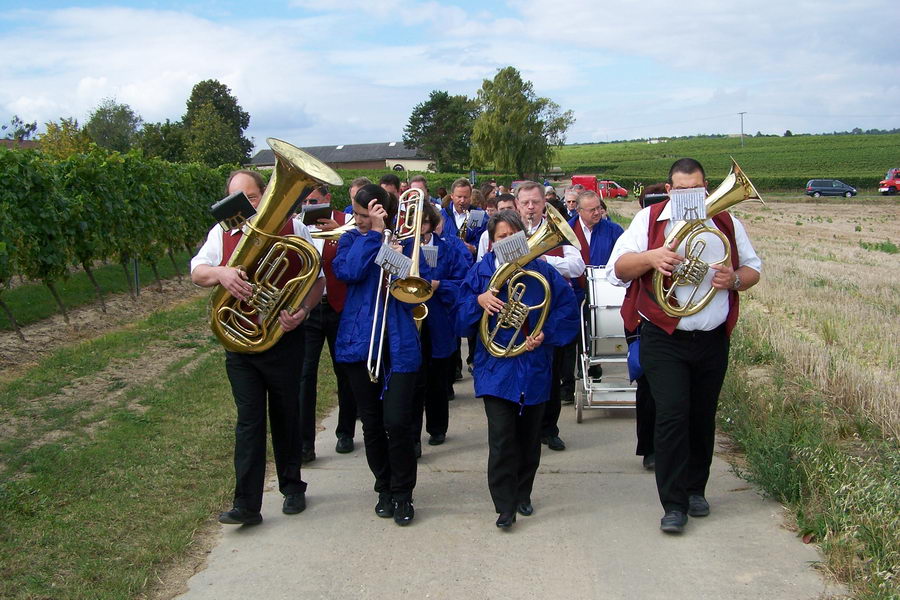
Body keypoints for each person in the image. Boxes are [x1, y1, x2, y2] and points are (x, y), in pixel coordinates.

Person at [605, 158, 761, 534]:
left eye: (697, 188)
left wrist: (734, 278)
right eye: (682, 189)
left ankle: (695, 490)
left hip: (711, 339)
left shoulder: (726, 223)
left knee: (701, 416)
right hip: (664, 336)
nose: (691, 195)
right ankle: (673, 503)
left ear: (705, 187)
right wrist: (651, 257)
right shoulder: (649, 220)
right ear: (671, 190)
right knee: (673, 415)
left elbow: (753, 269)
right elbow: (617, 269)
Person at [191, 169, 326, 525]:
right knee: (248, 422)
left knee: (286, 414)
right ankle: (247, 505)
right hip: (241, 344)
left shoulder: (294, 228)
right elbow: (197, 271)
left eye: (252, 198)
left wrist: (303, 310)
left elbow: (317, 280)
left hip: (283, 339)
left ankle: (293, 488)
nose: (247, 206)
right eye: (239, 200)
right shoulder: (222, 233)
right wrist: (222, 273)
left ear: (265, 194)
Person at [457, 211, 579, 529]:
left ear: (523, 238)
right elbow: (457, 318)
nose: (507, 241)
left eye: (513, 235)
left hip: (534, 365)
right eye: (501, 236)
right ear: (492, 241)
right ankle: (504, 504)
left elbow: (567, 308)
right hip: (495, 367)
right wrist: (478, 301)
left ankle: (523, 493)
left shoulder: (542, 270)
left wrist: (546, 333)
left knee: (528, 440)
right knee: (501, 438)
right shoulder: (481, 273)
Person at [333, 184, 422, 526]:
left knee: (397, 422)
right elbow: (349, 272)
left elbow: (414, 284)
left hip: (398, 342)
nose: (358, 219)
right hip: (359, 342)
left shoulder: (407, 240)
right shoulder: (353, 239)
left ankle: (404, 492)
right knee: (371, 423)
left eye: (363, 214)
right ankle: (384, 487)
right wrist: (374, 235)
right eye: (357, 214)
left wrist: (392, 242)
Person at [515, 181, 586, 452]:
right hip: (517, 310)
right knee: (518, 370)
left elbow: (577, 265)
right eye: (525, 203)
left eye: (535, 202)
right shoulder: (506, 230)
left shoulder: (555, 230)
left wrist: (546, 262)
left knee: (551, 372)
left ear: (544, 203)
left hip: (547, 310)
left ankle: (549, 429)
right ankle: (521, 428)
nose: (531, 207)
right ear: (517, 204)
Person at [298, 182, 361, 464]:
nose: (309, 208)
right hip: (309, 309)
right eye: (305, 203)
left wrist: (334, 234)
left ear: (327, 199)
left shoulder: (346, 222)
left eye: (314, 201)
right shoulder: (298, 227)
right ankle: (304, 443)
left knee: (344, 371)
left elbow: (360, 244)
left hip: (339, 307)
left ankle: (345, 431)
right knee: (304, 376)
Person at [402, 202, 469, 451]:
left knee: (438, 380)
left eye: (425, 223)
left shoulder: (448, 248)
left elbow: (463, 281)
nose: (421, 229)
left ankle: (437, 428)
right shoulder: (404, 247)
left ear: (432, 223)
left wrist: (440, 285)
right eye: (416, 224)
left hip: (440, 320)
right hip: (411, 322)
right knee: (414, 381)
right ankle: (412, 437)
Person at [624, 183, 668, 471]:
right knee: (648, 386)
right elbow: (620, 271)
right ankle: (649, 447)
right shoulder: (642, 228)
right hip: (644, 316)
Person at [566, 189, 625, 397]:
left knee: (598, 331)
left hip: (604, 291)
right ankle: (569, 382)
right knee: (573, 335)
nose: (597, 213)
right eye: (591, 210)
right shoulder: (568, 230)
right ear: (579, 211)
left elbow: (624, 255)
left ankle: (594, 370)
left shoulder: (613, 230)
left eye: (599, 208)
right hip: (574, 291)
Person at [477, 193, 517, 260]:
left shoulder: (524, 232)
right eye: (502, 209)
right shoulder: (486, 235)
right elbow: (480, 262)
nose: (506, 212)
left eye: (509, 208)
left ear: (516, 209)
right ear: (497, 211)